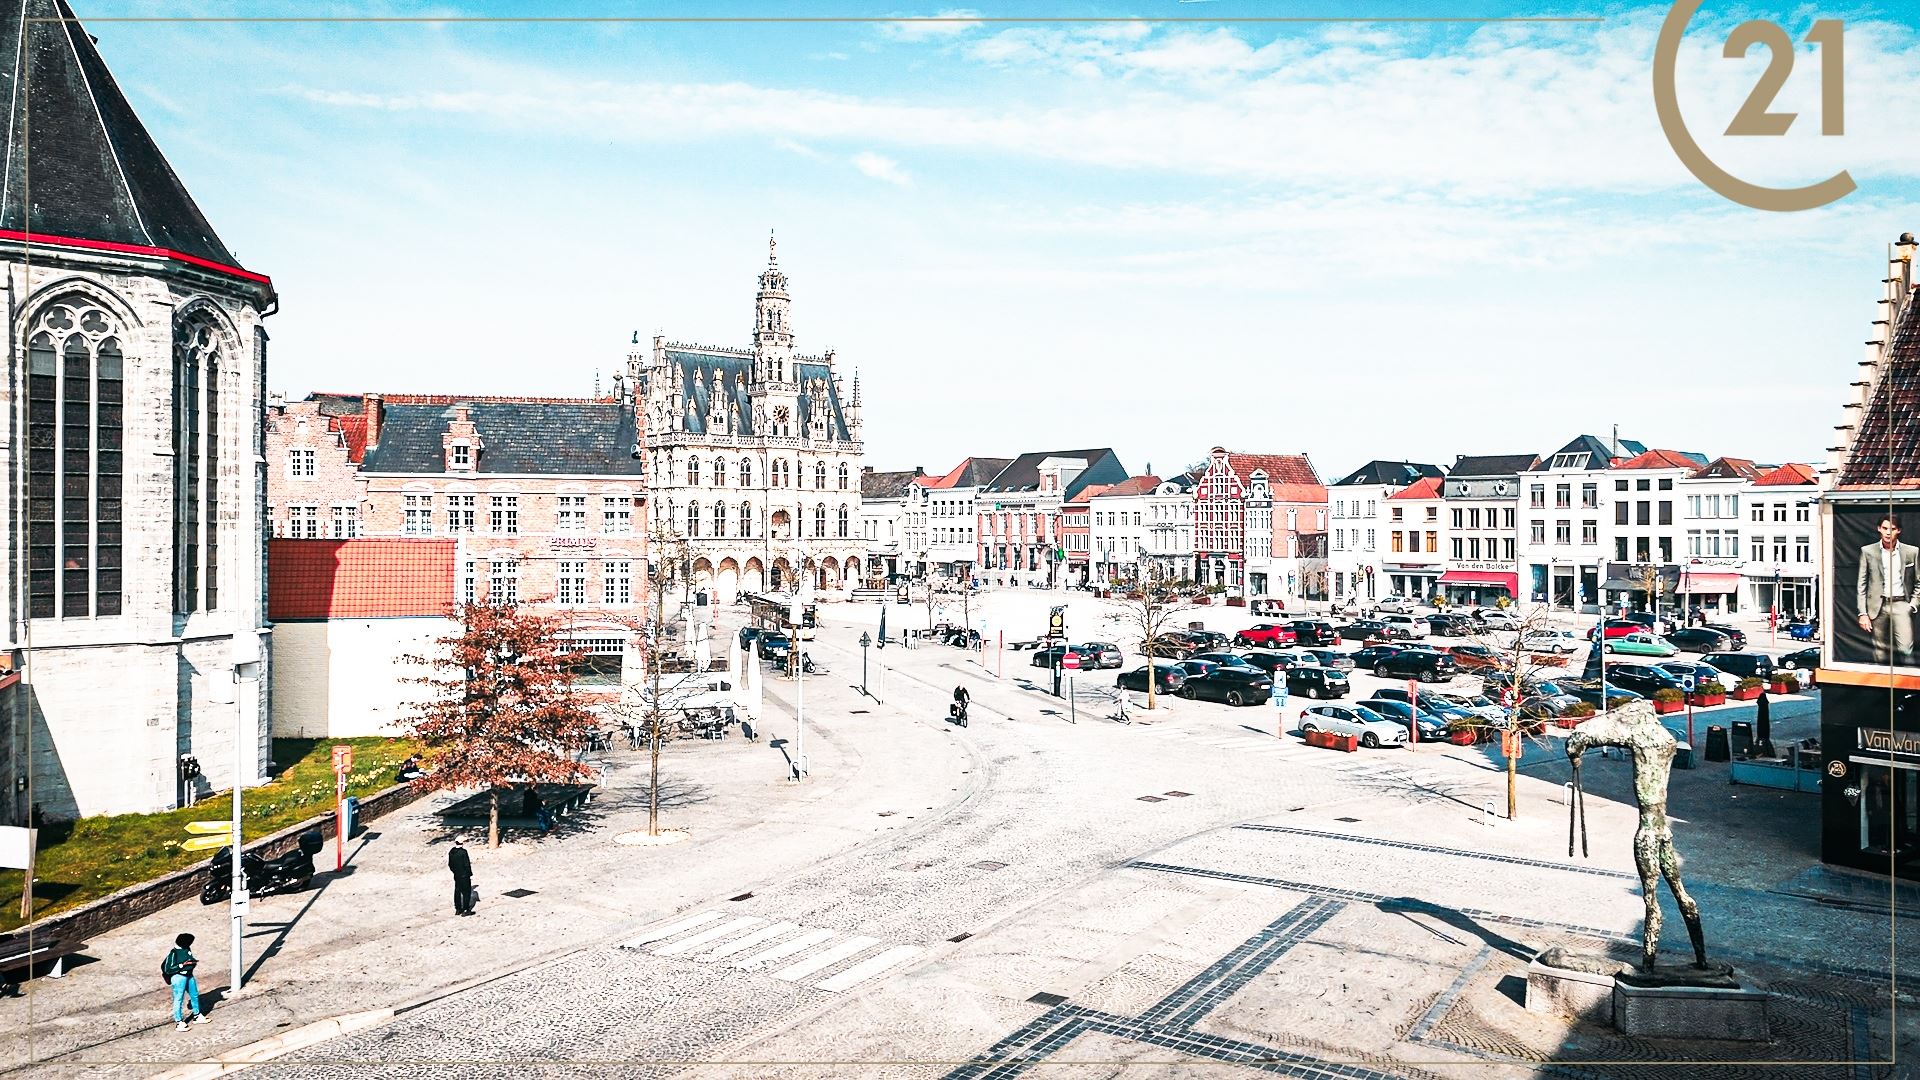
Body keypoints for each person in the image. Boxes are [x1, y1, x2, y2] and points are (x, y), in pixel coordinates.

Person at [1856, 515, 1919, 665]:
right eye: (1884, 528)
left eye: (1892, 529)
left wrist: (1913, 604)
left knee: (1906, 648)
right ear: (1879, 529)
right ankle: (1882, 687)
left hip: (1901, 604)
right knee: (1880, 650)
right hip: (1877, 606)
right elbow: (1861, 584)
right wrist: (1863, 613)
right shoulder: (1868, 551)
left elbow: (1919, 581)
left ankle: (1907, 686)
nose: (1888, 533)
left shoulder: (1912, 552)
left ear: (1899, 531)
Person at [161, 933, 208, 1030]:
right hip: (179, 977)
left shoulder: (187, 949)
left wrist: (192, 963)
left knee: (194, 995)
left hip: (189, 975)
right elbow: (168, 968)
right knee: (178, 999)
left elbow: (189, 959)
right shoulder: (174, 953)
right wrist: (182, 965)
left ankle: (197, 1015)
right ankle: (179, 1022)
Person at [448, 838, 474, 916]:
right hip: (464, 875)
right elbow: (467, 864)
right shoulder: (463, 852)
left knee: (457, 891)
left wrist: (455, 872)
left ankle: (458, 909)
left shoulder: (451, 852)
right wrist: (469, 873)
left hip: (456, 875)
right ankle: (466, 909)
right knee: (466, 892)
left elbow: (450, 864)